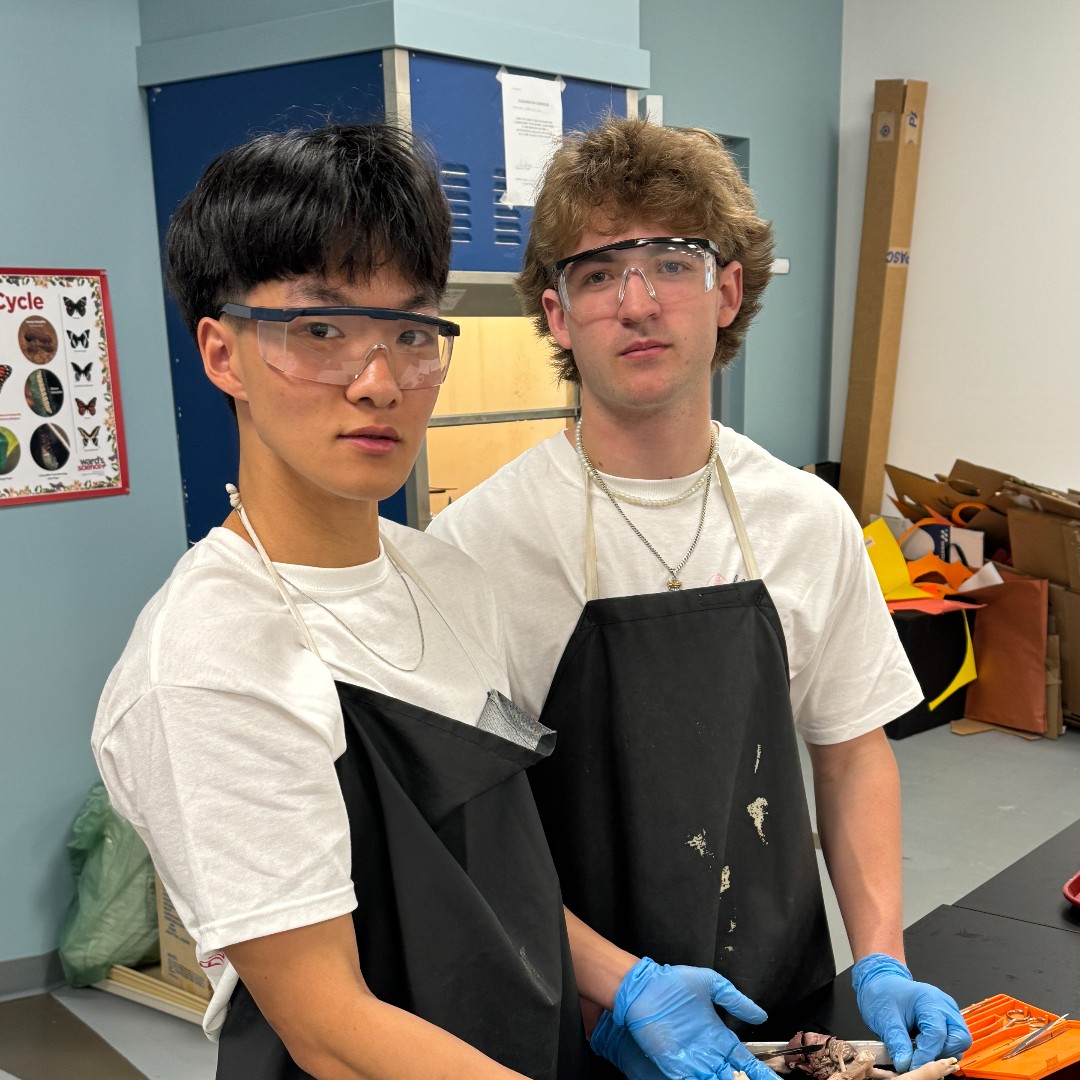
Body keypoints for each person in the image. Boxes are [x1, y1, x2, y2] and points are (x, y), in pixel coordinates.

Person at [91, 122, 793, 1080]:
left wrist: (625, 979)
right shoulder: (209, 663)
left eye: (413, 333)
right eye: (321, 330)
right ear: (222, 354)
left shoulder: (446, 577)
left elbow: (486, 881)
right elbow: (331, 1029)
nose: (379, 382)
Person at [428, 116, 973, 1075]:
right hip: (568, 1011)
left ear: (727, 291)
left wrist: (880, 954)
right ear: (556, 315)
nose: (636, 302)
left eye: (672, 262)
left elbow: (850, 754)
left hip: (775, 1002)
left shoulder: (807, 519)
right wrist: (614, 989)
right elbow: (464, 831)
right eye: (597, 273)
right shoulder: (479, 544)